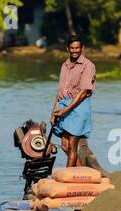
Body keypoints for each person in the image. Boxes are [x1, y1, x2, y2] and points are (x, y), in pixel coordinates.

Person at [50, 35, 99, 168]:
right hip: (64, 106)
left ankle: (68, 177)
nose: (74, 50)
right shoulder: (64, 65)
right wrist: (53, 112)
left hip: (79, 107)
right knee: (65, 146)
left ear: (82, 48)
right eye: (72, 48)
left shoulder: (88, 66)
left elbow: (83, 92)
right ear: (67, 48)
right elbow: (60, 91)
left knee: (72, 145)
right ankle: (80, 173)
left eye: (77, 47)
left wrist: (66, 109)